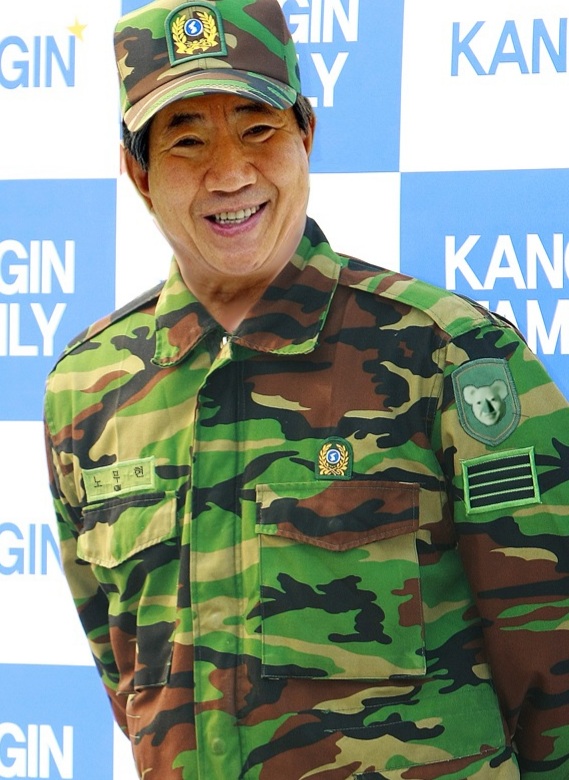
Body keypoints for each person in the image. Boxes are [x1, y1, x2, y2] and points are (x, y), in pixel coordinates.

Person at [43, 1, 569, 778]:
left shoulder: (448, 351)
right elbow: (126, 672)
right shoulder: (88, 388)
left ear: (306, 135)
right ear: (139, 173)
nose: (230, 173)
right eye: (187, 140)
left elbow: (551, 658)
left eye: (257, 129)